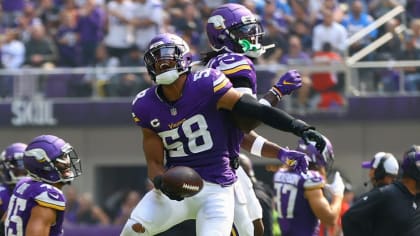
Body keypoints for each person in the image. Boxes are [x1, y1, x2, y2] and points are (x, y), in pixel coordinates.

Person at [121, 33, 327, 236]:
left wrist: (298, 126)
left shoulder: (206, 83)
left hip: (216, 188)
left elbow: (255, 111)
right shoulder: (144, 105)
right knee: (133, 230)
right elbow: (154, 163)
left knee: (250, 229)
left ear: (184, 57)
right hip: (177, 186)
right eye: (156, 59)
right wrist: (161, 182)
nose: (162, 63)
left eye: (166, 55)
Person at [204, 4, 325, 236]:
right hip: (216, 169)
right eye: (243, 32)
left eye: (252, 30)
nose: (252, 36)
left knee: (257, 227)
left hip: (222, 160)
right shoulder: (233, 62)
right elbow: (246, 119)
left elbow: (239, 134)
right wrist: (277, 93)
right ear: (223, 36)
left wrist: (280, 153)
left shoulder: (217, 65)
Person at [4, 134, 82, 235]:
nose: (67, 162)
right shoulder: (48, 196)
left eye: (66, 156)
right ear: (44, 165)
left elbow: (4, 224)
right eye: (61, 158)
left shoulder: (24, 184)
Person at [273, 137, 345, 236]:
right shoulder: (310, 178)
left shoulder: (281, 172)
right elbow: (330, 219)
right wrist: (338, 195)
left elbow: (290, 164)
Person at [342, 145, 420, 236]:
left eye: (372, 169)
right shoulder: (387, 194)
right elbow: (350, 218)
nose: (370, 174)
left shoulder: (415, 197)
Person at [0, 142, 29, 232]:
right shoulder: (2, 193)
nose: (21, 168)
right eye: (17, 164)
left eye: (24, 164)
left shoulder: (40, 191)